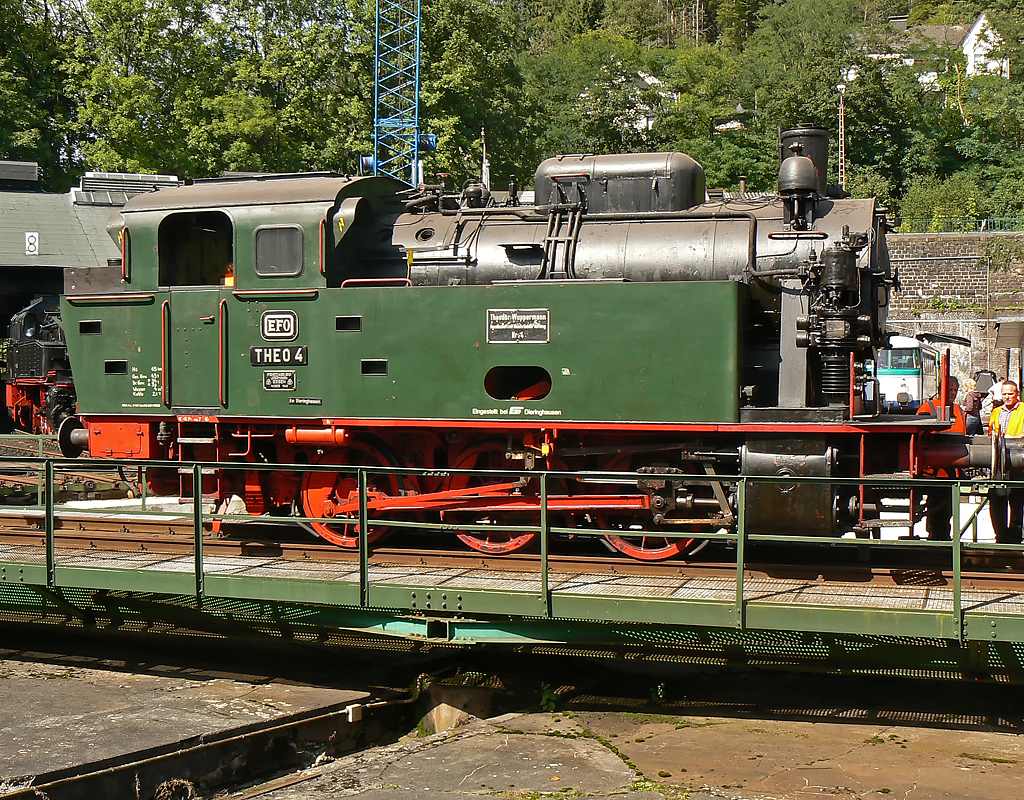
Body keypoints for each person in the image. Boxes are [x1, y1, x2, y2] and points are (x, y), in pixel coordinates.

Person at [916, 377, 965, 541]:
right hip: (933, 472)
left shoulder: (959, 410)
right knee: (937, 507)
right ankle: (936, 537)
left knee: (947, 509)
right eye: (949, 389)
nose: (953, 393)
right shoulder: (927, 407)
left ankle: (942, 538)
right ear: (940, 389)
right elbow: (918, 436)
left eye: (955, 390)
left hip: (952, 471)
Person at [989, 380, 1024, 544]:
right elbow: (992, 434)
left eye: (1010, 393)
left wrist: (1011, 438)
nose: (1007, 397)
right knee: (997, 498)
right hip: (998, 463)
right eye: (1004, 394)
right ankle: (1001, 536)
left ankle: (1015, 537)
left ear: (1017, 393)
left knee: (1017, 500)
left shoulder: (1023, 409)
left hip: (1018, 462)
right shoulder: (996, 412)